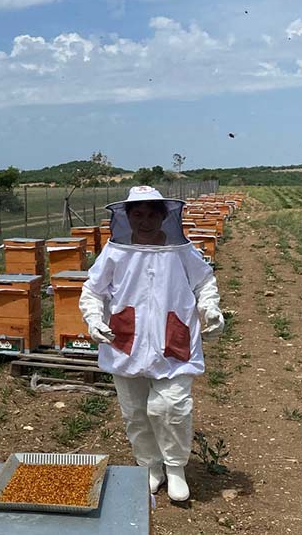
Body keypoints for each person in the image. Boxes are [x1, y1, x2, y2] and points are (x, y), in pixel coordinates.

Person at [79, 186, 225, 502]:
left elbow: (205, 283)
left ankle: (175, 468)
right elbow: (92, 291)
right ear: (127, 217)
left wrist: (210, 309)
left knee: (171, 407)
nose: (145, 221)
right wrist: (93, 319)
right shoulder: (115, 251)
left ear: (164, 216)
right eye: (138, 214)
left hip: (173, 338)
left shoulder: (181, 251)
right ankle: (150, 466)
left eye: (151, 214)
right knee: (135, 413)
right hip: (125, 339)